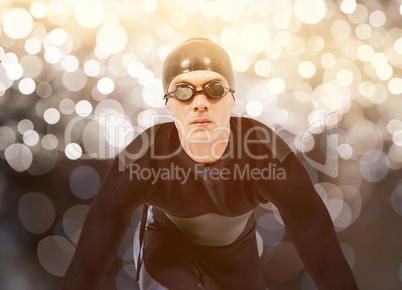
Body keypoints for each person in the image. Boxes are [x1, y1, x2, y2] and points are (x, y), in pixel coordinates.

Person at [60, 38, 358, 289]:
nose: (199, 102)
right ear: (168, 103)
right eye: (184, 91)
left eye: (214, 90)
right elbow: (86, 266)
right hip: (166, 252)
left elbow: (327, 262)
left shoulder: (265, 155)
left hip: (238, 260)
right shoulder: (142, 160)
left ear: (232, 99)